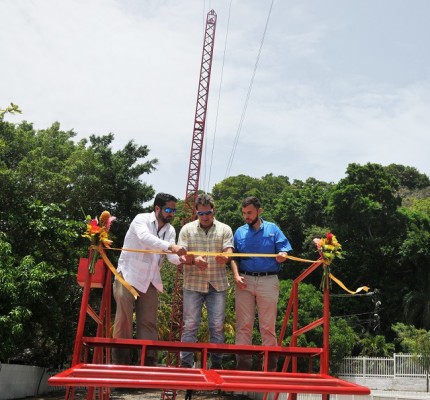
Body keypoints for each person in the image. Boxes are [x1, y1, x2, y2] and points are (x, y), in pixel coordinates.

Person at [112, 193, 186, 366]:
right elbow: (145, 239)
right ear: (157, 208)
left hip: (150, 280)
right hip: (128, 276)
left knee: (149, 323)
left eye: (174, 211)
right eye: (168, 210)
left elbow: (171, 257)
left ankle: (147, 366)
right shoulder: (141, 219)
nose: (171, 214)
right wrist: (171, 247)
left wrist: (184, 260)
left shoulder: (170, 230)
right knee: (124, 320)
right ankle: (120, 366)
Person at [230, 196, 292, 371]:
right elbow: (232, 258)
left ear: (259, 211)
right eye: (244, 213)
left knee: (267, 326)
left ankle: (270, 371)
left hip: (268, 280)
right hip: (244, 281)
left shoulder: (273, 229)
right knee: (243, 326)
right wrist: (235, 275)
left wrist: (283, 255)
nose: (246, 216)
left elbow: (284, 248)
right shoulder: (239, 232)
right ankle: (242, 371)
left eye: (249, 212)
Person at [178, 193, 234, 369]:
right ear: (196, 212)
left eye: (208, 213)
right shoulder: (187, 229)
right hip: (193, 283)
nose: (205, 217)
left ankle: (216, 365)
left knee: (217, 326)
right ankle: (186, 365)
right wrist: (194, 260)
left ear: (213, 210)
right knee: (190, 325)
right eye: (201, 214)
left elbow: (230, 250)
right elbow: (181, 255)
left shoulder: (225, 229)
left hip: (217, 284)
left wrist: (225, 257)